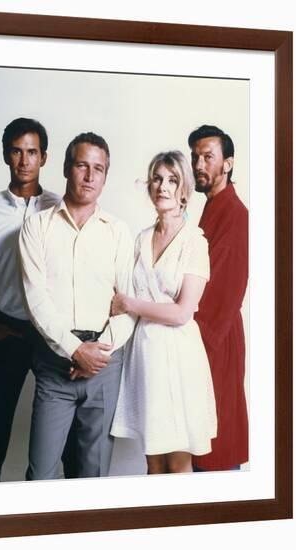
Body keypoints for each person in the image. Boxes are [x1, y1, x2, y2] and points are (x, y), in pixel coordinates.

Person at [19, 132, 135, 480]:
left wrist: (96, 355)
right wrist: (74, 350)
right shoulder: (37, 226)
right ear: (68, 168)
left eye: (98, 169)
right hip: (55, 363)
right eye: (82, 165)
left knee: (93, 473)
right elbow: (35, 298)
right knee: (41, 475)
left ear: (105, 177)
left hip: (104, 366)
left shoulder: (118, 232)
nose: (89, 176)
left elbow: (127, 304)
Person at [110, 150, 217, 474]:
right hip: (143, 356)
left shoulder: (194, 242)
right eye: (157, 178)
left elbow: (183, 312)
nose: (163, 186)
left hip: (178, 358)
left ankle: (183, 524)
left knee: (178, 459)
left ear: (184, 188)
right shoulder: (140, 239)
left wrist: (131, 303)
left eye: (172, 180)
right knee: (152, 460)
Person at [0, 117, 61, 483]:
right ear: (5, 155)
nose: (24, 160)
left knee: (58, 439)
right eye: (16, 151)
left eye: (32, 152)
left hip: (51, 336)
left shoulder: (61, 208)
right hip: (7, 332)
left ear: (44, 157)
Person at [188, 125, 248, 472]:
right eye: (196, 156)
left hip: (215, 339)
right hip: (202, 334)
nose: (199, 164)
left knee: (214, 444)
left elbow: (224, 290)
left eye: (208, 157)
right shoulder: (211, 207)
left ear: (227, 164)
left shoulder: (235, 214)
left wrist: (184, 334)